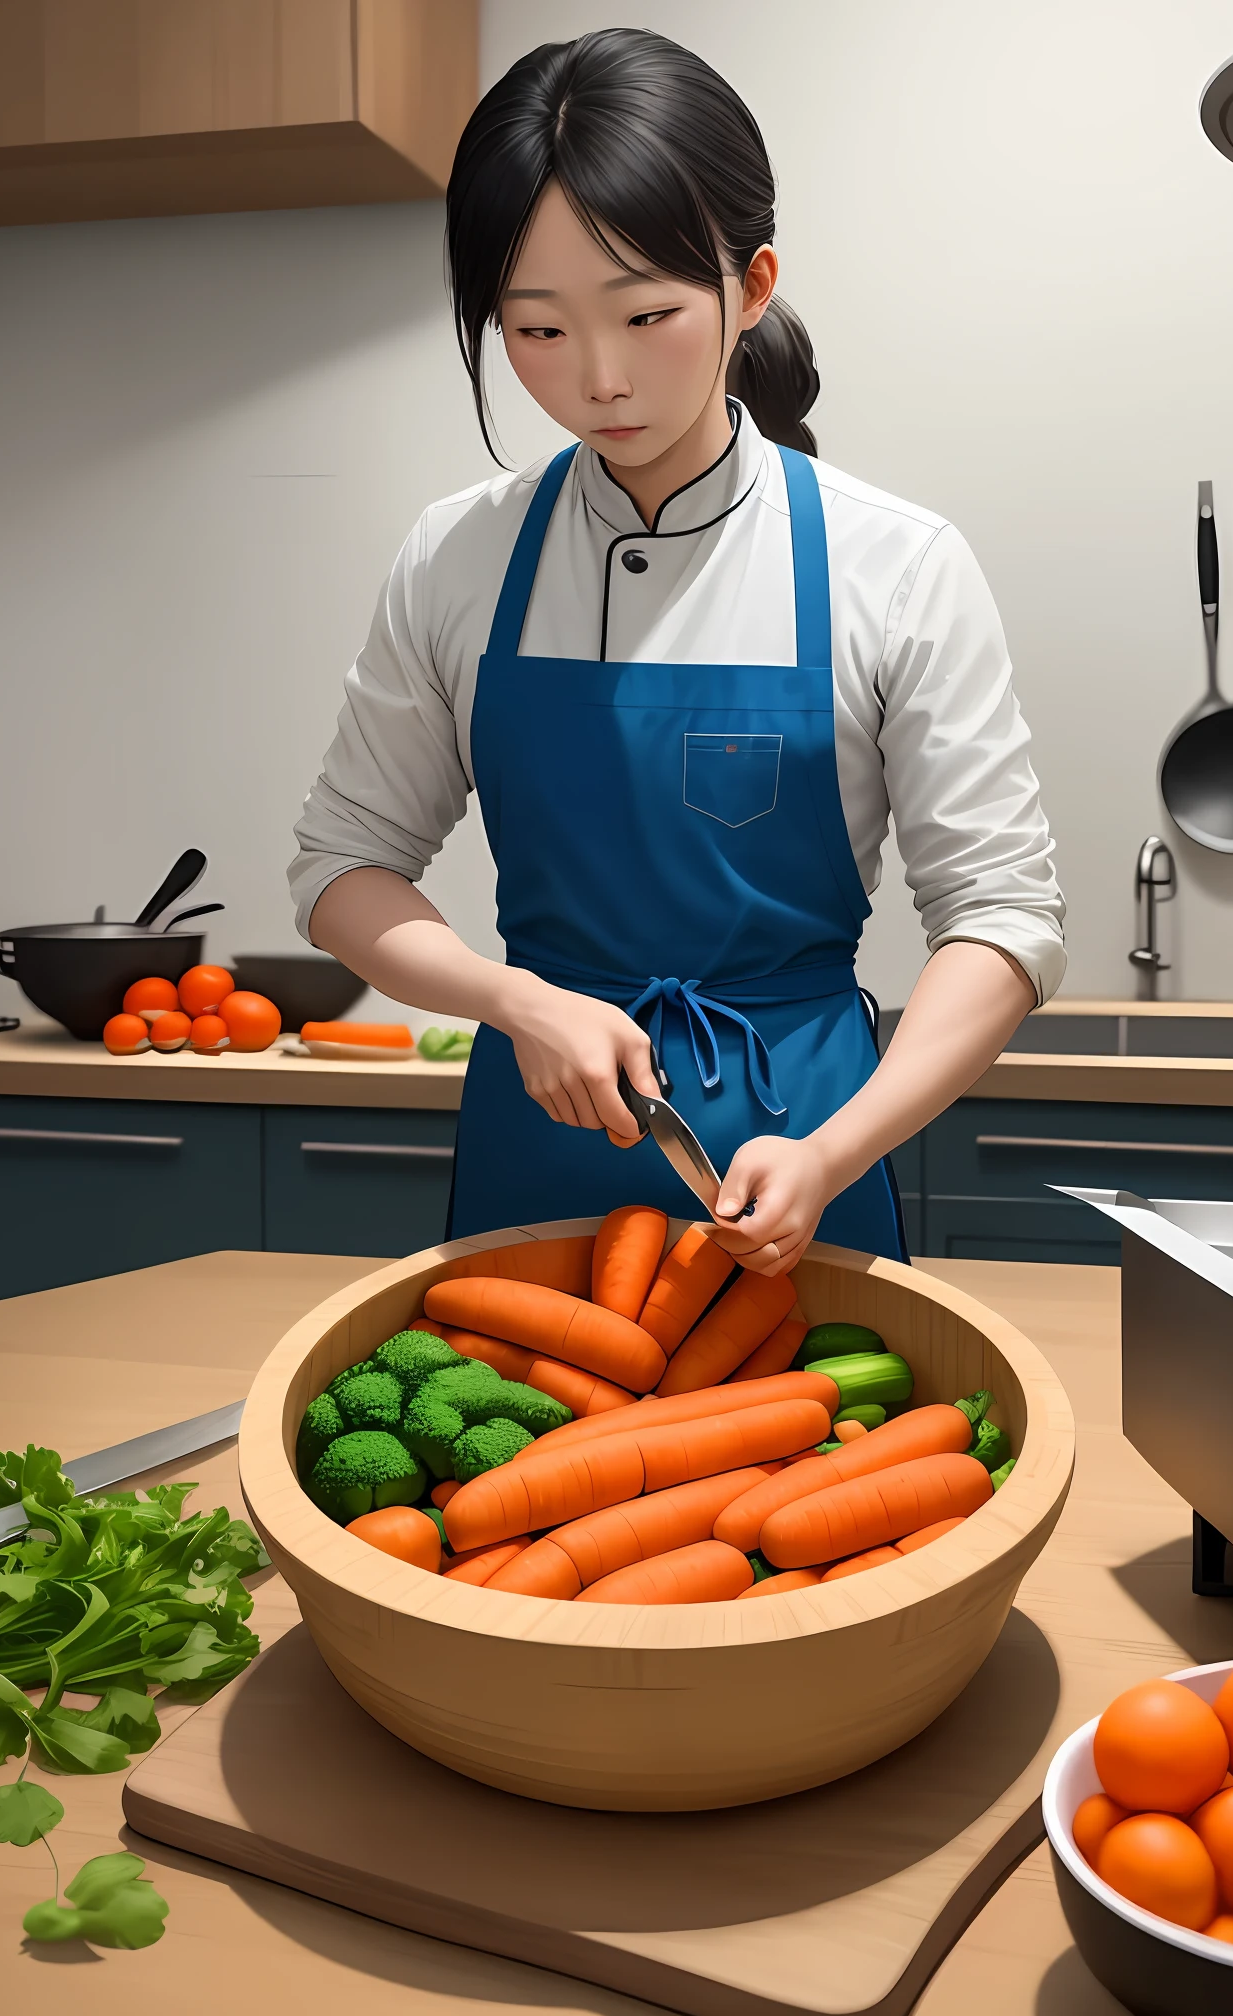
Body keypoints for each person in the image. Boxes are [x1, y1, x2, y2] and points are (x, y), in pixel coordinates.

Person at [290, 27, 1063, 1276]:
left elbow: (1001, 918)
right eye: (536, 332)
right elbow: (342, 866)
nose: (599, 378)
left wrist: (834, 1147)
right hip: (535, 1132)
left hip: (801, 1144)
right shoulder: (455, 558)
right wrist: (512, 998)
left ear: (749, 286)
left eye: (646, 313)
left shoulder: (896, 564)